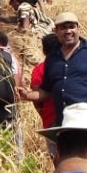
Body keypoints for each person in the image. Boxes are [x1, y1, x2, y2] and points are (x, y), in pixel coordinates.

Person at [18, 11, 87, 126]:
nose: (68, 31)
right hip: (65, 124)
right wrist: (27, 95)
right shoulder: (51, 59)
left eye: (72, 27)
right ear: (56, 31)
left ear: (79, 28)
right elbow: (46, 92)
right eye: (63, 28)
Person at [30, 32, 60, 163]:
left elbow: (36, 97)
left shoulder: (39, 69)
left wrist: (42, 114)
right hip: (72, 118)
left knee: (57, 159)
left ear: (44, 50)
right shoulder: (70, 65)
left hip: (50, 120)